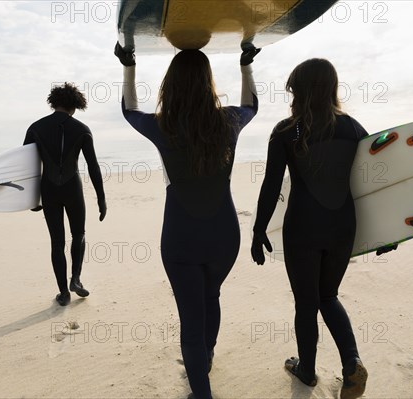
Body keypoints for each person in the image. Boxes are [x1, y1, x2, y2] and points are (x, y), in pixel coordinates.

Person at [115, 42, 260, 399]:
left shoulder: (162, 125)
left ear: (171, 85)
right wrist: (245, 65)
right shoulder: (228, 121)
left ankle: (202, 387)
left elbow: (128, 110)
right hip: (224, 234)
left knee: (190, 318)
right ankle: (205, 360)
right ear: (208, 82)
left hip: (180, 235)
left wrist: (128, 65)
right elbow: (252, 106)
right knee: (211, 296)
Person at [251, 58, 395, 399]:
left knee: (306, 302)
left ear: (300, 91)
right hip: (343, 226)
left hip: (303, 227)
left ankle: (308, 370)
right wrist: (388, 230)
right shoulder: (354, 128)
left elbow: (271, 186)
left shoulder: (287, 131)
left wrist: (258, 231)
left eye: (292, 91)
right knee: (327, 296)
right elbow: (375, 181)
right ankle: (352, 364)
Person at [24, 82, 107, 307]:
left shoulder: (35, 128)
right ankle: (76, 280)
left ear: (54, 102)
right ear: (75, 105)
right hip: (73, 189)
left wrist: (31, 198)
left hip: (48, 189)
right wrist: (101, 197)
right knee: (78, 234)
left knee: (56, 242)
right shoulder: (82, 129)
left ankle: (63, 293)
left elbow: (26, 166)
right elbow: (93, 166)